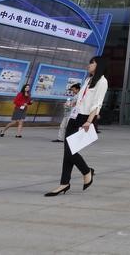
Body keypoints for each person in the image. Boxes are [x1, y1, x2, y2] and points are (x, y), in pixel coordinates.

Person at [44, 56, 108, 196]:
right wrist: (73, 104)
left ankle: (81, 174)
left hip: (85, 118)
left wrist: (89, 121)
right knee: (68, 150)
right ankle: (67, 182)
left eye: (92, 63)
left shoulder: (102, 82)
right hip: (75, 116)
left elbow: (97, 103)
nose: (89, 65)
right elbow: (82, 98)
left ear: (99, 65)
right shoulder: (88, 80)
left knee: (70, 150)